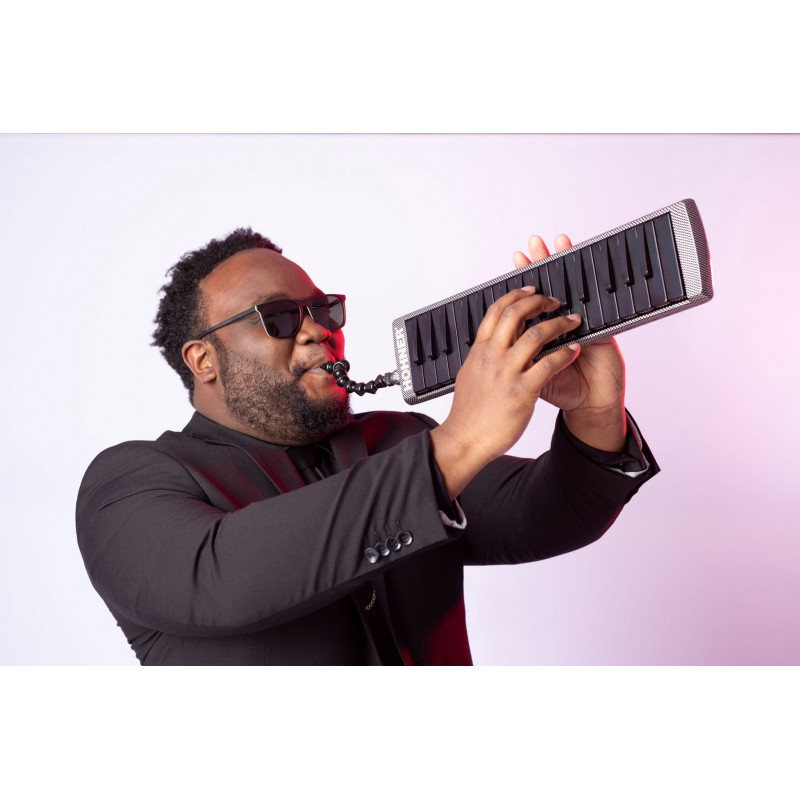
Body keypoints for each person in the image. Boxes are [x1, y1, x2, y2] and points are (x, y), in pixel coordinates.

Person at [76, 227, 658, 665]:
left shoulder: (398, 439)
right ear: (203, 359)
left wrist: (593, 412)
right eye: (277, 318)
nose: (317, 329)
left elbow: (549, 514)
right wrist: (462, 439)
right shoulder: (130, 483)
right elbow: (223, 579)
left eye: (323, 310)